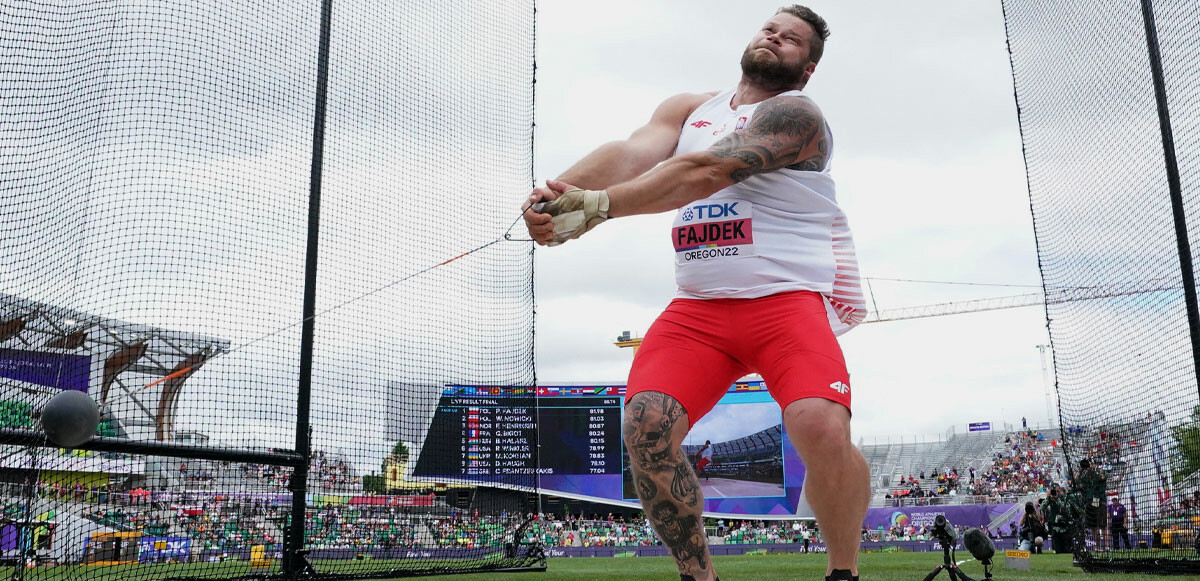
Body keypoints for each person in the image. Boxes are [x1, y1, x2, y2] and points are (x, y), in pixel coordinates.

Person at [523, 6, 865, 581]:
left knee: (820, 425)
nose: (775, 38)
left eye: (792, 41)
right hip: (699, 310)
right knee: (645, 425)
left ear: (806, 69)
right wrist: (559, 194)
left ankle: (843, 572)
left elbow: (707, 171)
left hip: (782, 299)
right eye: (770, 29)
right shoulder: (689, 109)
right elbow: (632, 153)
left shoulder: (796, 115)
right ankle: (697, 576)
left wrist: (600, 207)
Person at [1074, 458, 1108, 551]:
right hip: (1092, 500)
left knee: (1097, 525)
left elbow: (1102, 477)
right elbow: (1076, 480)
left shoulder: (1089, 473)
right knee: (1094, 526)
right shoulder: (1089, 473)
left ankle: (1102, 546)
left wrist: (1088, 471)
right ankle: (1098, 547)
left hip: (1094, 500)